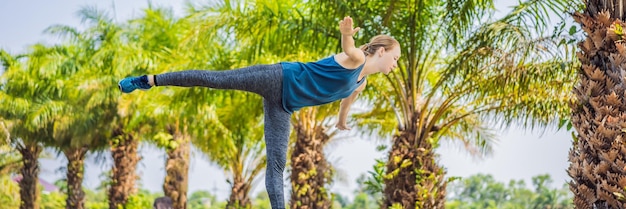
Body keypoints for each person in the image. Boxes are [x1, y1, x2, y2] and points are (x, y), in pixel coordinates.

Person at [118, 16, 400, 209]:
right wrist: (346, 33)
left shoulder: (361, 83)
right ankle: (149, 80)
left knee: (277, 164)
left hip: (283, 105)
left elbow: (345, 102)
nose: (395, 65)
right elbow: (349, 48)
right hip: (278, 78)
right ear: (382, 51)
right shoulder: (359, 58)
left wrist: (341, 122)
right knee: (215, 79)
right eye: (395, 58)